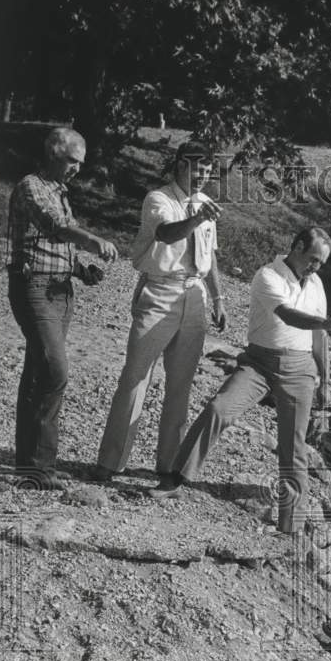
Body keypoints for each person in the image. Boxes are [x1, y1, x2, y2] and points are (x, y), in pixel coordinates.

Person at [149, 227, 331, 536]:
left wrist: (325, 379)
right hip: (259, 363)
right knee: (219, 409)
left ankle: (290, 524)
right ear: (296, 246)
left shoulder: (316, 284)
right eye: (313, 259)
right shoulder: (267, 275)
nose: (316, 267)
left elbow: (318, 336)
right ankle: (175, 478)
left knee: (293, 445)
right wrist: (325, 323)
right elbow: (288, 315)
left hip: (300, 369)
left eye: (321, 262)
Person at [88, 141, 227, 483]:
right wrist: (196, 218)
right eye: (197, 169)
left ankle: (168, 466)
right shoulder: (158, 199)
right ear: (180, 165)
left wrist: (219, 298)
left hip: (195, 298)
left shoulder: (207, 204)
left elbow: (210, 256)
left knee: (180, 386)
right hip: (160, 292)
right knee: (135, 378)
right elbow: (166, 233)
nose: (202, 177)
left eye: (208, 172)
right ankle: (109, 463)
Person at [7, 126, 118, 490]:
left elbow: (54, 247)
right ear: (54, 152)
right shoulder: (30, 187)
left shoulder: (60, 192)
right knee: (55, 371)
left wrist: (82, 270)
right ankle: (40, 467)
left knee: (38, 373)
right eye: (73, 161)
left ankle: (30, 465)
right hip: (34, 288)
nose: (77, 169)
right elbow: (53, 228)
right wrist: (92, 239)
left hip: (62, 291)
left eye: (80, 164)